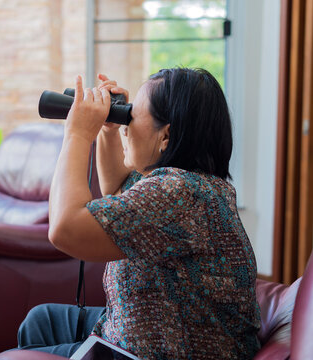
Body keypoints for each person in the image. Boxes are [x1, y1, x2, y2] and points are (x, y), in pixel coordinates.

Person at [17, 68, 261, 359]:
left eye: (130, 116)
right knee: (40, 320)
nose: (125, 125)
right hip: (140, 331)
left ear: (166, 135)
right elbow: (117, 189)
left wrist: (78, 134)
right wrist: (108, 127)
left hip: (162, 352)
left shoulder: (178, 193)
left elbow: (65, 229)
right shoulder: (187, 184)